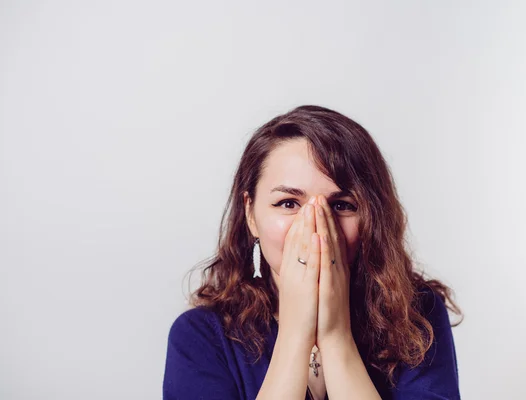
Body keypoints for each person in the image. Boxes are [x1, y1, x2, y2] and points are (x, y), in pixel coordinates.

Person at [162, 105, 464, 400]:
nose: (317, 228)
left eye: (342, 205)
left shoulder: (416, 315)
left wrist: (335, 337)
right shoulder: (201, 337)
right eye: (288, 203)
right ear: (251, 214)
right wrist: (295, 333)